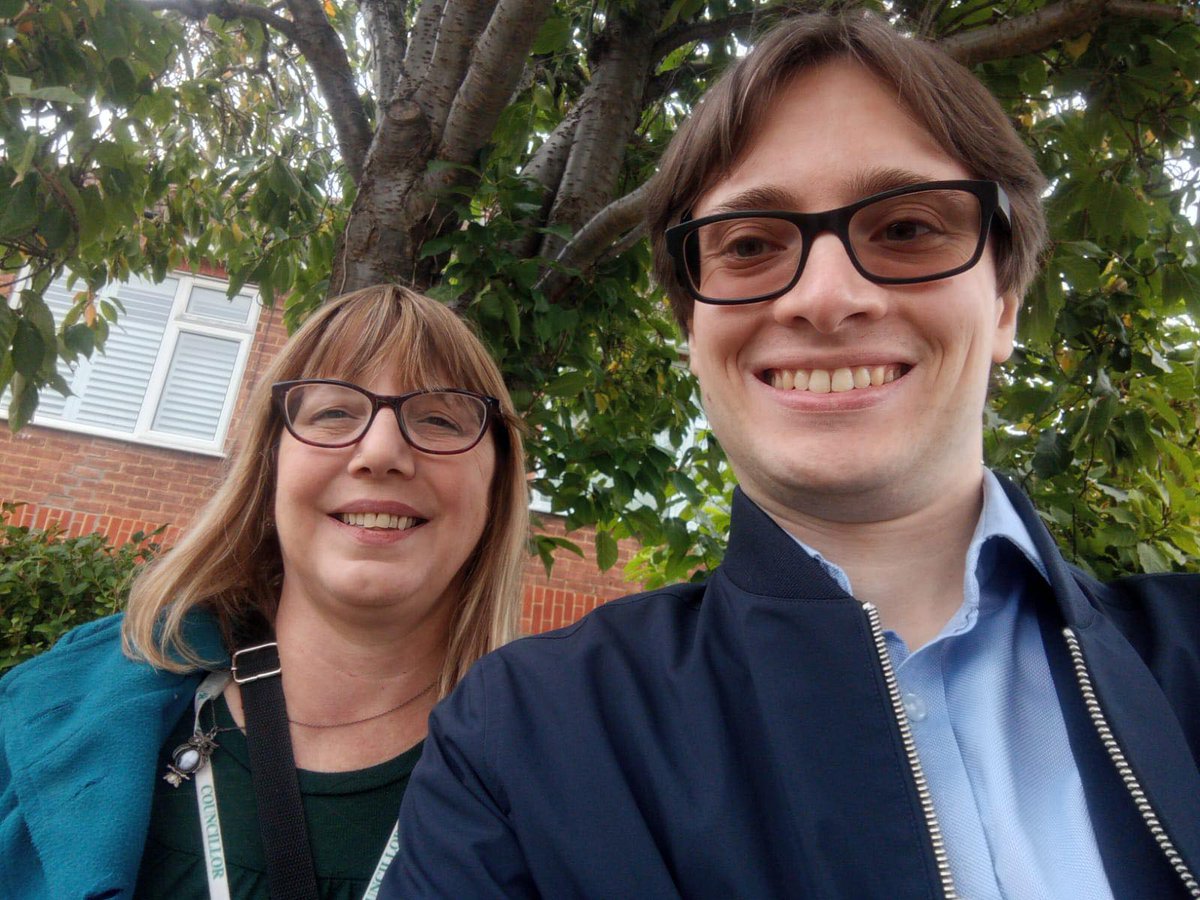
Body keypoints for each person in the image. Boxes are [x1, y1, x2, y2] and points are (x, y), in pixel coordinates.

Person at [384, 11, 1200, 900]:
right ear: (691, 325)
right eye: (748, 245)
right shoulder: (520, 743)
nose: (825, 296)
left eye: (907, 229)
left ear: (1003, 304)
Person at [0, 284, 529, 899]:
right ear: (267, 465)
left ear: (496, 484)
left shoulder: (574, 775)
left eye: (439, 419)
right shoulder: (47, 719)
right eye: (333, 413)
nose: (381, 452)